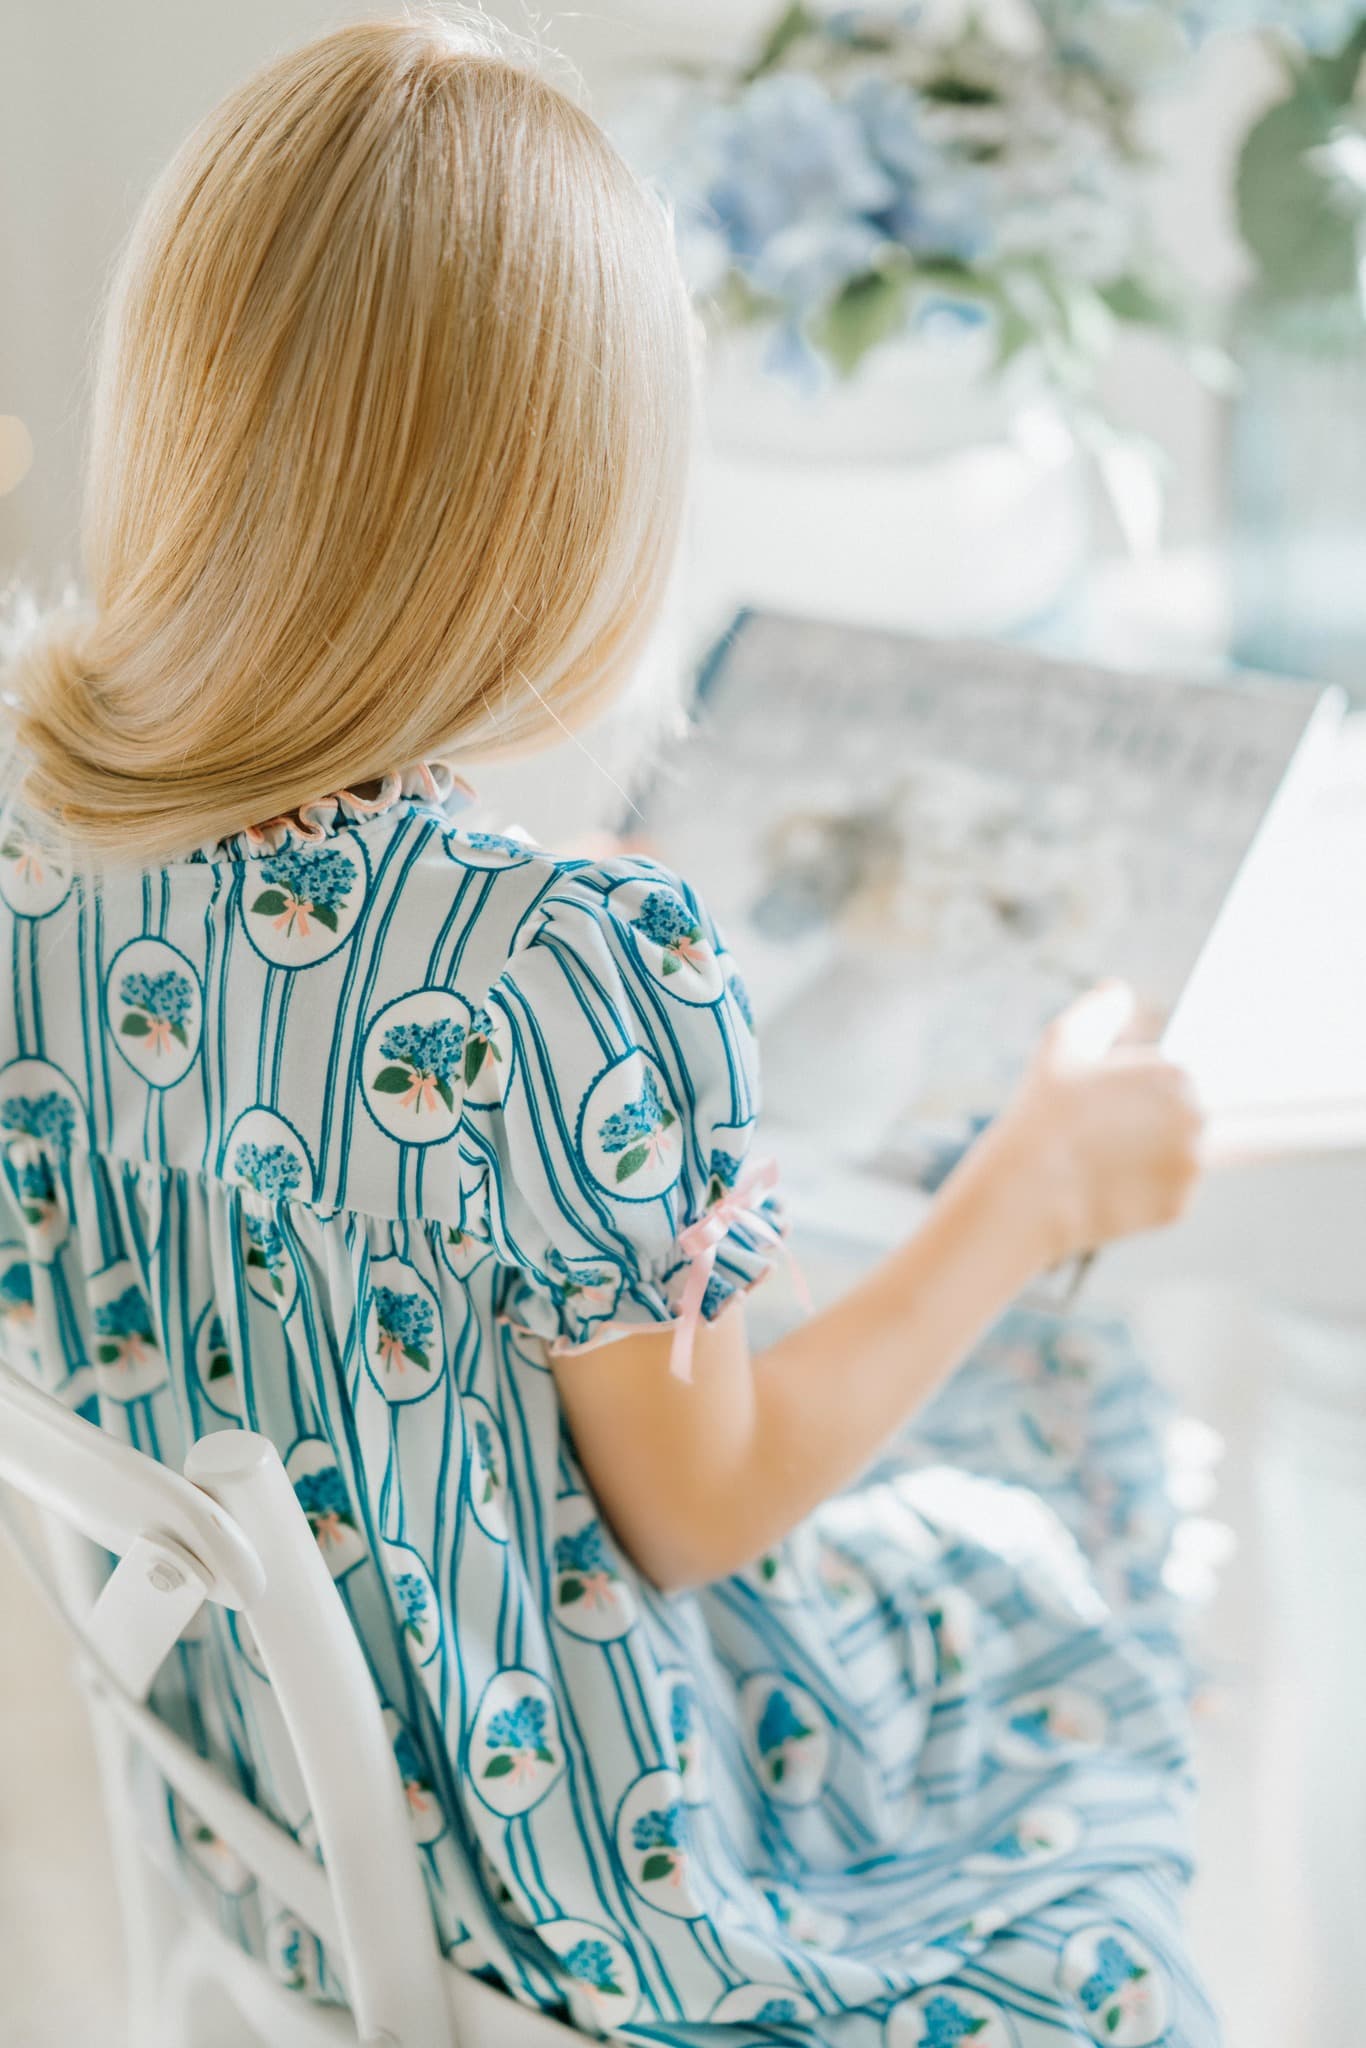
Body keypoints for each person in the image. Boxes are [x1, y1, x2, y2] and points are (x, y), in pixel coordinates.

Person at [0, 15, 1215, 2042]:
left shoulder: (31, 819)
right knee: (1065, 1480)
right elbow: (696, 1507)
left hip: (268, 1809)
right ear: (562, 518)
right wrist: (1030, 1181)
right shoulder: (552, 963)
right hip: (580, 1883)